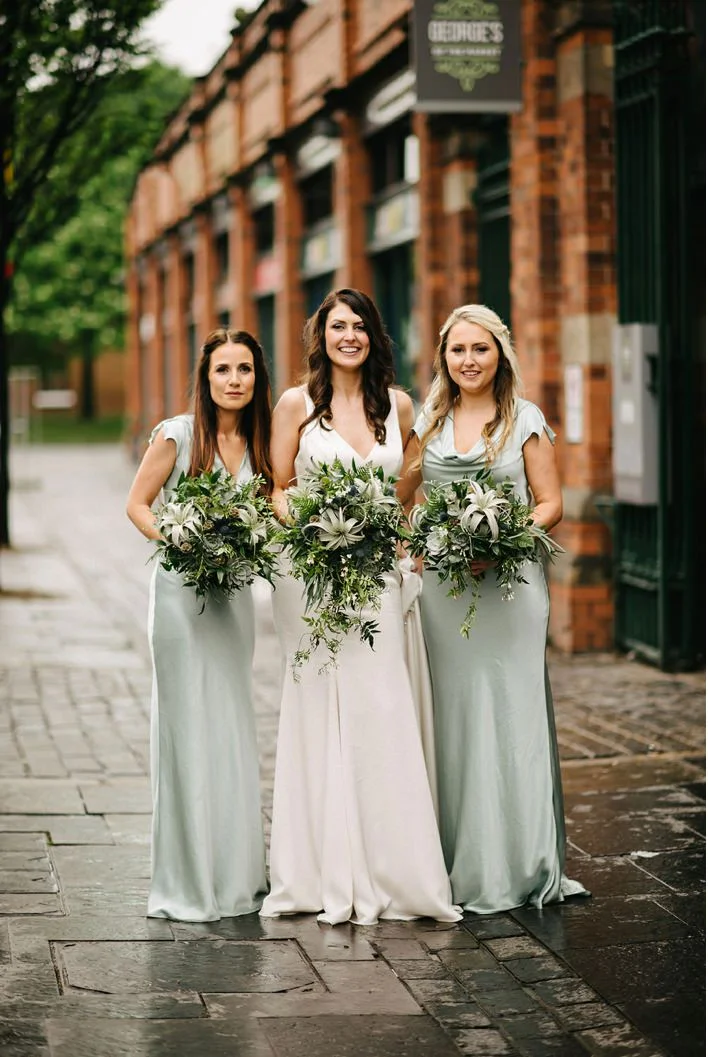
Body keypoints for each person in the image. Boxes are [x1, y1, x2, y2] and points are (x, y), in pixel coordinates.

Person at [261, 288, 459, 925]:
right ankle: (316, 872)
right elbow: (280, 488)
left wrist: (407, 541)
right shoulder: (296, 403)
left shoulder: (397, 406)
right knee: (320, 709)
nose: (349, 336)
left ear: (375, 336)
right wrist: (311, 531)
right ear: (320, 335)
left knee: (380, 707)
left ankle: (393, 869)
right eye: (337, 326)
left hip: (377, 575)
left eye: (360, 327)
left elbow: (406, 492)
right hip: (313, 575)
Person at [400, 304, 587, 913]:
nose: (468, 361)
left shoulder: (524, 420)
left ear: (499, 355)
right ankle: (458, 857)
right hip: (445, 596)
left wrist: (501, 542)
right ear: (443, 358)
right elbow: (403, 495)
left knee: (511, 712)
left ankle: (522, 861)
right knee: (455, 719)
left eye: (480, 350)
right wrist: (420, 542)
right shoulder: (428, 421)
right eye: (458, 351)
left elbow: (551, 502)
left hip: (511, 591)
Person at [126, 328, 274, 921]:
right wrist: (181, 537)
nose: (234, 380)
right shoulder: (178, 435)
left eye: (244, 369)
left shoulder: (264, 445)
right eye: (223, 370)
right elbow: (137, 504)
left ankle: (236, 874)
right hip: (182, 598)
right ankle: (188, 881)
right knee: (188, 727)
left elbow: (269, 510)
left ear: (257, 378)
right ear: (205, 378)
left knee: (232, 722)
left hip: (232, 600)